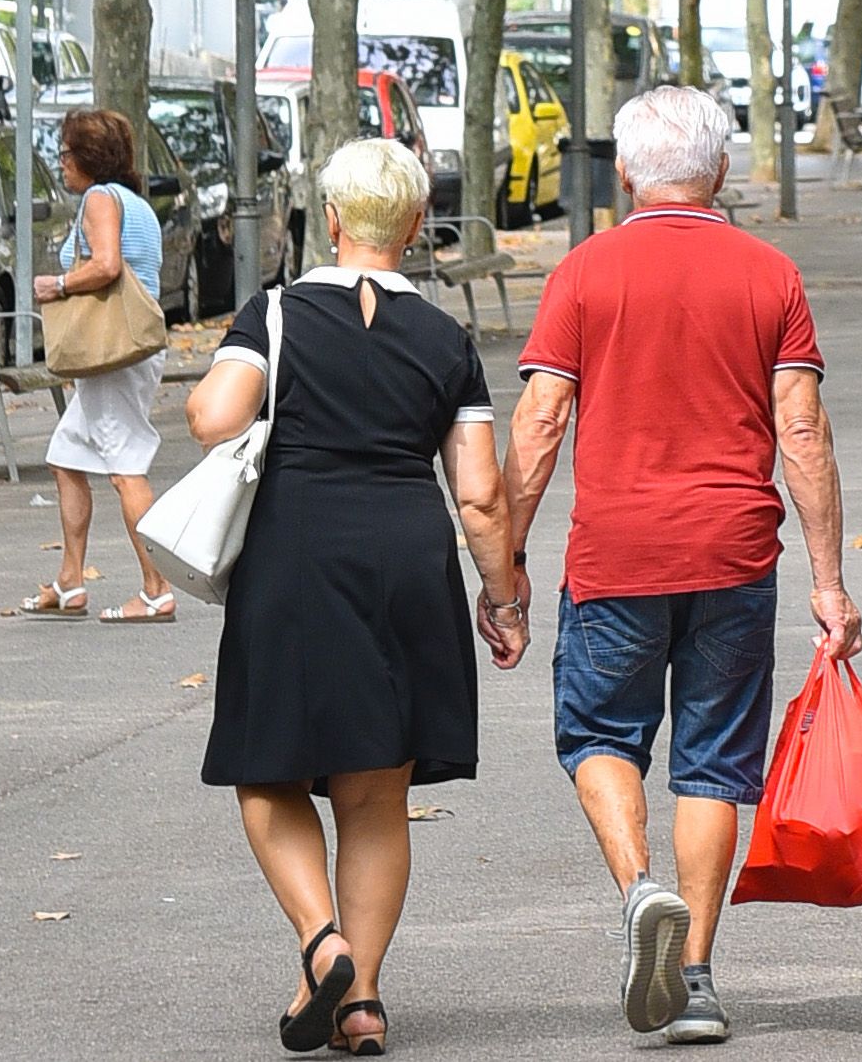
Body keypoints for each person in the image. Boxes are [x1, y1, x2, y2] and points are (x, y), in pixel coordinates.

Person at [499, 85, 861, 1046]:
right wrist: (829, 580)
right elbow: (802, 431)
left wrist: (506, 563)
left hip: (615, 554)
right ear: (722, 170)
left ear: (621, 170)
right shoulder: (770, 273)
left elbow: (539, 423)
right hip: (735, 556)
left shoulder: (583, 272)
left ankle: (638, 890)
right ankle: (695, 979)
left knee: (601, 737)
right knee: (712, 764)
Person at [187, 139, 525, 1058]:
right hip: (409, 558)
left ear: (330, 220)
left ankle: (319, 938)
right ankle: (362, 1001)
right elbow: (482, 493)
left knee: (268, 771)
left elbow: (215, 417)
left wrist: (240, 369)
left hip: (297, 554)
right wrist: (503, 596)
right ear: (417, 227)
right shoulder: (446, 338)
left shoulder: (280, 312)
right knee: (377, 792)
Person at [21, 108, 175, 624]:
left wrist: (58, 284)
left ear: (87, 158)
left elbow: (107, 264)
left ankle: (157, 588)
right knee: (66, 458)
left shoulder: (99, 199)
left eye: (66, 153)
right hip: (132, 348)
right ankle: (70, 582)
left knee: (126, 470)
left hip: (113, 356)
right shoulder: (137, 205)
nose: (61, 164)